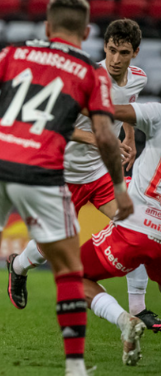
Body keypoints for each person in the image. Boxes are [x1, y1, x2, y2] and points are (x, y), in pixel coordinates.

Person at [0, 0, 133, 376]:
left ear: (47, 28)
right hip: (40, 170)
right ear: (88, 33)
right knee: (68, 269)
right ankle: (75, 367)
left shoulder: (15, 52)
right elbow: (107, 138)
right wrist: (120, 186)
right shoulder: (89, 73)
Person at [7, 19, 161, 329]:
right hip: (65, 176)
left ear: (136, 53)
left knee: (136, 226)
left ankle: (138, 307)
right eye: (113, 51)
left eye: (125, 53)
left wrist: (128, 137)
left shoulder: (137, 79)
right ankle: (18, 267)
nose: (117, 60)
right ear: (104, 47)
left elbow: (128, 104)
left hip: (102, 174)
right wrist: (100, 139)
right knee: (48, 249)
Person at [76, 101, 161, 365]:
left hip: (136, 228)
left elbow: (106, 109)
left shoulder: (157, 113)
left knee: (71, 276)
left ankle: (125, 320)